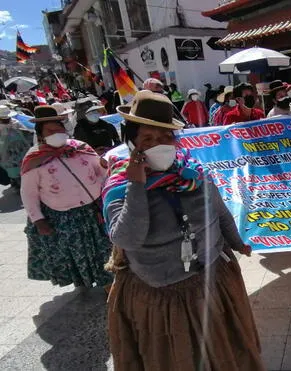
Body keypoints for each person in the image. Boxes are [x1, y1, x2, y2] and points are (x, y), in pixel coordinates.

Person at [103, 91, 264, 370]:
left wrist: (238, 243)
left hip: (213, 279)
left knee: (226, 351)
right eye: (148, 140)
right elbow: (126, 238)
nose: (159, 145)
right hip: (162, 296)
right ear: (132, 145)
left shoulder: (195, 174)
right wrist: (137, 185)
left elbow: (220, 211)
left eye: (166, 138)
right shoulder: (119, 186)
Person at [20, 105, 112, 289]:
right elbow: (29, 193)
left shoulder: (80, 148)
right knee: (76, 252)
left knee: (104, 250)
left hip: (93, 210)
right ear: (41, 135)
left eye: (59, 128)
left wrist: (106, 176)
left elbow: (101, 171)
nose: (58, 133)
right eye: (51, 130)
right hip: (63, 217)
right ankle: (84, 282)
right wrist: (38, 220)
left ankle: (109, 284)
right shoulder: (34, 159)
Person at [0, 105, 32, 188]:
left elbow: (26, 133)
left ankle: (19, 183)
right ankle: (18, 183)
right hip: (10, 152)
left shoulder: (15, 122)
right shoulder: (15, 122)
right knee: (15, 168)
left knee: (18, 168)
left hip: (17, 150)